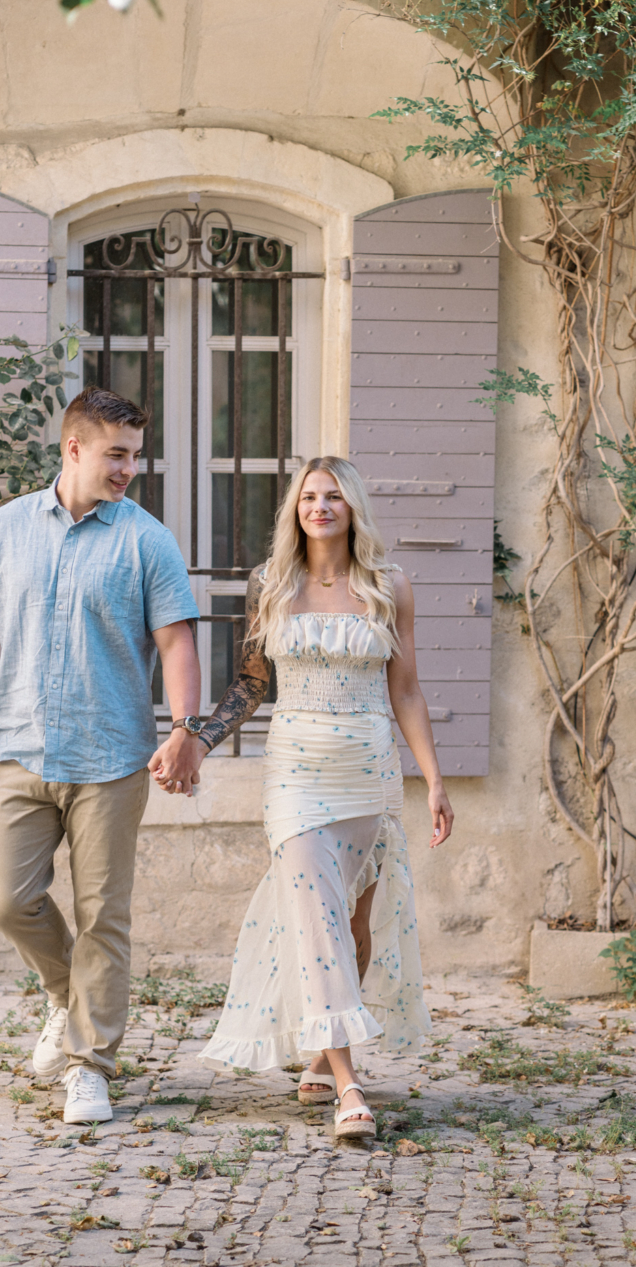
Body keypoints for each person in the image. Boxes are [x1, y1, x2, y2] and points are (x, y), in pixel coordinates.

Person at [153, 455, 453, 1138]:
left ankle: (321, 1049)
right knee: (315, 917)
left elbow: (405, 690)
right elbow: (250, 684)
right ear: (295, 509)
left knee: (351, 926)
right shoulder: (272, 585)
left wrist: (432, 778)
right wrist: (195, 739)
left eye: (334, 496)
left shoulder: (389, 586)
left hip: (366, 770)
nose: (320, 506)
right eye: (310, 496)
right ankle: (350, 1085)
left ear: (352, 509)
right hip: (294, 772)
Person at [0, 386, 203, 1125]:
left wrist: (183, 728)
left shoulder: (146, 539)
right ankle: (65, 994)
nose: (128, 469)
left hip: (112, 754)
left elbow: (176, 641)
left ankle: (89, 1063)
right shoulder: (7, 528)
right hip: (22, 746)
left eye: (134, 455)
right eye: (115, 454)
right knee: (4, 894)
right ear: (74, 449)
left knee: (103, 917)